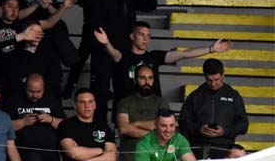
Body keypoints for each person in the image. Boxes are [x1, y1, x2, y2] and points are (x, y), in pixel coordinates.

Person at [87, 0, 157, 124]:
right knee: (100, 91)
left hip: (125, 51)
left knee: (124, 90)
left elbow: (149, 5)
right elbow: (84, 3)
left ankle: (121, 126)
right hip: (102, 50)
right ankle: (100, 129)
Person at [95, 21, 232, 100]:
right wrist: (106, 43)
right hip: (126, 114)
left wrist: (211, 49)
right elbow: (114, 53)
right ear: (132, 36)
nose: (145, 39)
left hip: (152, 113)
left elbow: (184, 54)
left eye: (148, 35)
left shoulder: (154, 57)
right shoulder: (123, 56)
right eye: (141, 34)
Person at [112, 65, 171, 161]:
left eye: (150, 78)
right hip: (129, 159)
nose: (147, 82)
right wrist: (154, 131)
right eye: (143, 78)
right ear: (135, 80)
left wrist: (136, 123)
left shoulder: (161, 102)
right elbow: (124, 128)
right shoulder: (125, 102)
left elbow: (167, 129)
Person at [179, 59, 249, 159]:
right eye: (209, 80)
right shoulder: (195, 96)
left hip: (225, 150)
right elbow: (183, 122)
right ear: (204, 76)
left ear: (223, 75)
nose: (213, 84)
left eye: (217, 79)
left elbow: (243, 125)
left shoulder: (234, 96)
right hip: (198, 149)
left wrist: (224, 131)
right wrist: (199, 129)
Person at [3, 73, 65, 161]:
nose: (35, 95)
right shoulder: (14, 100)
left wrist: (51, 119)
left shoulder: (52, 100)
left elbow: (65, 126)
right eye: (31, 91)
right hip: (21, 156)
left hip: (49, 158)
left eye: (38, 92)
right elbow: (3, 126)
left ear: (44, 88)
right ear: (25, 87)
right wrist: (23, 122)